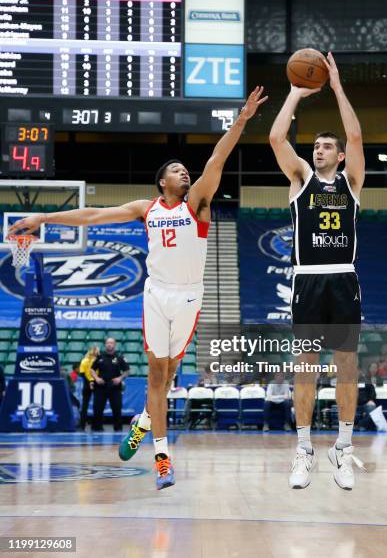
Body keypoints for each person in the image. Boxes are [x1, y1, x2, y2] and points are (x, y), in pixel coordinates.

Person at [8, 86, 267, 490]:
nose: (185, 173)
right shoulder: (145, 209)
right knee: (156, 378)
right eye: (177, 170)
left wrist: (243, 119)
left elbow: (218, 158)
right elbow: (93, 214)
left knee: (169, 378)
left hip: (190, 296)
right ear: (161, 181)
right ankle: (163, 460)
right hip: (156, 294)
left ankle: (144, 420)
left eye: (186, 169)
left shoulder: (197, 202)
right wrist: (45, 216)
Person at [269, 52, 365, 490]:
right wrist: (293, 93)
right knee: (304, 365)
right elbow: (275, 137)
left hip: (344, 277)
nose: (319, 149)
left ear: (340, 155)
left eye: (327, 146)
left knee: (347, 365)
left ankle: (343, 448)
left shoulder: (351, 182)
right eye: (316, 146)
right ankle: (304, 449)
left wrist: (338, 86)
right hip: (307, 279)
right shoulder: (301, 179)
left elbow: (356, 134)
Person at [90, 337, 130, 432]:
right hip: (100, 387)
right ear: (105, 345)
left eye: (111, 343)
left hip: (114, 387)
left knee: (117, 409)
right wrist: (96, 378)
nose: (109, 344)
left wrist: (120, 378)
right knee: (98, 409)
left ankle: (118, 428)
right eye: (107, 343)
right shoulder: (100, 357)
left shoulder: (119, 357)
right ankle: (97, 428)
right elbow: (92, 369)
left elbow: (127, 371)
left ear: (114, 345)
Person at [79, 345, 99, 430]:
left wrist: (89, 382)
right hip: (95, 383)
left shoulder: (84, 360)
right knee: (96, 405)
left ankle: (82, 425)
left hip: (88, 384)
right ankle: (95, 426)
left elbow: (82, 374)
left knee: (85, 405)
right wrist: (92, 382)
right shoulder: (97, 361)